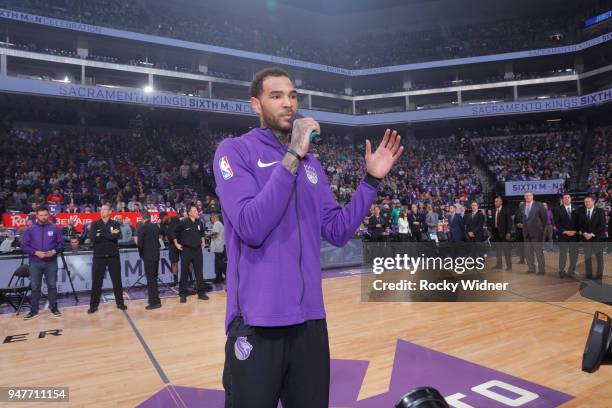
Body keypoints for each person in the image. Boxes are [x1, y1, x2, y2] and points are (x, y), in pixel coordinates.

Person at [213, 67, 403, 408]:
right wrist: (293, 156)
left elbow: (338, 230)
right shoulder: (235, 151)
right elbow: (250, 226)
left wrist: (370, 181)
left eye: (292, 96)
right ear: (255, 104)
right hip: (258, 322)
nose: (288, 104)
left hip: (310, 324)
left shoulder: (311, 165)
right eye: (276, 96)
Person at [20, 207, 64, 319]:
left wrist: (53, 252)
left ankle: (54, 308)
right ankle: (33, 310)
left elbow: (61, 245)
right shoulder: (30, 230)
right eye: (41, 215)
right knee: (35, 287)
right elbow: (24, 246)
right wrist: (35, 252)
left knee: (52, 286)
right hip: (35, 262)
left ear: (48, 215)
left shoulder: (55, 229)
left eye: (45, 215)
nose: (43, 217)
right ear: (36, 216)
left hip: (51, 262)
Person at [87, 203, 127, 314]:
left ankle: (120, 303)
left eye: (104, 209)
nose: (102, 211)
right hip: (99, 257)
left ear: (110, 212)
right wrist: (109, 234)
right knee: (96, 282)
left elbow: (117, 236)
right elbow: (93, 238)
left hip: (113, 256)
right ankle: (93, 306)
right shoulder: (95, 224)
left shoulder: (115, 223)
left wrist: (102, 234)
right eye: (101, 209)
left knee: (117, 281)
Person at [173, 204, 209, 302]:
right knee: (184, 272)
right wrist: (176, 244)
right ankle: (183, 294)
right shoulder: (183, 223)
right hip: (186, 250)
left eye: (196, 210)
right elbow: (174, 233)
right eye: (194, 210)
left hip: (197, 250)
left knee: (199, 272)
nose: (197, 212)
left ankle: (201, 293)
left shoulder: (199, 222)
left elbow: (202, 234)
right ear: (189, 213)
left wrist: (203, 243)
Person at [137, 212, 162, 309]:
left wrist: (141, 255)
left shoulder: (142, 228)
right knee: (154, 278)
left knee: (150, 279)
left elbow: (140, 244)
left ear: (142, 218)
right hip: (156, 255)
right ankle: (153, 299)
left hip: (148, 256)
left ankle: (155, 302)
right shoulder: (155, 227)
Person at [578, 196, 606, 282]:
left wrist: (592, 234)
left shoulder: (600, 211)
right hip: (586, 239)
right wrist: (584, 233)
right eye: (585, 202)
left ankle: (599, 276)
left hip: (597, 239)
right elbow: (580, 225)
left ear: (593, 202)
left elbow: (602, 225)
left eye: (588, 201)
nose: (587, 203)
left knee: (599, 259)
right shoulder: (582, 212)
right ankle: (589, 276)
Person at [519, 192, 547, 275]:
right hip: (526, 233)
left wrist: (541, 228)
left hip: (537, 232)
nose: (528, 197)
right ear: (524, 197)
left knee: (539, 252)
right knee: (528, 252)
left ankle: (541, 270)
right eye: (526, 196)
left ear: (532, 196)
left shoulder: (539, 205)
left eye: (529, 195)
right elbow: (523, 218)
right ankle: (531, 268)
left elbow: (544, 218)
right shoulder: (522, 206)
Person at [554, 193, 578, 278]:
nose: (567, 199)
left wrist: (575, 231)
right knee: (563, 254)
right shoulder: (557, 209)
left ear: (570, 199)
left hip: (574, 235)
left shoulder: (577, 208)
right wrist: (565, 231)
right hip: (563, 235)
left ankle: (572, 270)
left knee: (573, 254)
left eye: (568, 197)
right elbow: (557, 223)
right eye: (565, 198)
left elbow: (580, 221)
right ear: (562, 200)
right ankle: (561, 270)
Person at [490, 196, 512, 270]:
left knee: (506, 250)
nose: (495, 202)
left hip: (504, 233)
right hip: (496, 234)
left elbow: (509, 222)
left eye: (497, 201)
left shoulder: (506, 210)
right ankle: (499, 265)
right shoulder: (493, 211)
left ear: (501, 202)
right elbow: (493, 223)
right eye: (495, 201)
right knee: (498, 250)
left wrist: (508, 232)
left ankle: (509, 266)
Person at [159, 211, 180, 286]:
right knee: (174, 262)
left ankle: (191, 280)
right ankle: (175, 282)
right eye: (161, 219)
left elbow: (182, 229)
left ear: (166, 216)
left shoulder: (175, 219)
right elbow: (161, 237)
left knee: (187, 262)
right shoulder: (162, 225)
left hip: (181, 243)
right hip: (171, 245)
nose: (162, 220)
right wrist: (162, 239)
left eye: (162, 218)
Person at [208, 214, 226, 283]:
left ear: (214, 217)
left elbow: (215, 233)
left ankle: (220, 277)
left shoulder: (217, 223)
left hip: (218, 247)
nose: (210, 220)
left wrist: (208, 235)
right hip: (219, 246)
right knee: (218, 262)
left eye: (211, 218)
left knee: (219, 263)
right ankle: (219, 277)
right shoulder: (219, 224)